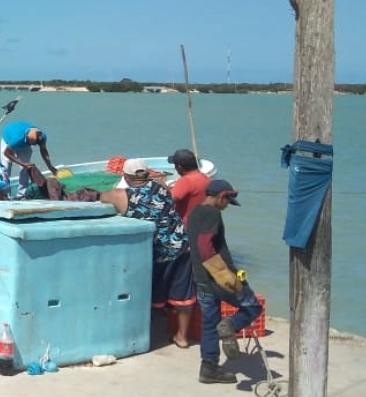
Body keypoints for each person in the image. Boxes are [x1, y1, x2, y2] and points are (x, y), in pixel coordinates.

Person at [100, 158, 196, 349]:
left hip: (155, 250)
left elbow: (103, 197)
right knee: (183, 292)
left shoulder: (121, 195)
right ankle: (182, 337)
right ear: (147, 173)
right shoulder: (162, 187)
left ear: (125, 176)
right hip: (181, 244)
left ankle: (146, 336)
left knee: (151, 293)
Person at [186, 179, 264, 384]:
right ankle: (230, 325)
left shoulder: (194, 212)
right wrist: (223, 274)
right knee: (252, 306)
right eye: (227, 201)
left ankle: (209, 369)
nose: (227, 206)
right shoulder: (212, 213)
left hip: (201, 278)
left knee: (210, 324)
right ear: (221, 197)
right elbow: (204, 246)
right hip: (217, 278)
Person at [0, 121, 57, 195]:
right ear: (28, 139)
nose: (33, 145)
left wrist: (50, 166)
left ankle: (21, 193)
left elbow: (43, 150)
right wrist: (22, 163)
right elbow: (6, 153)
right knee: (6, 166)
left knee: (25, 168)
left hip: (23, 143)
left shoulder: (42, 136)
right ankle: (5, 193)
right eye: (31, 144)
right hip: (8, 140)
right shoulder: (17, 139)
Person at [169, 148, 210, 221]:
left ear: (179, 167)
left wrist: (161, 184)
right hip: (202, 223)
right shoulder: (205, 178)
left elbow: (169, 199)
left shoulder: (186, 181)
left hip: (186, 226)